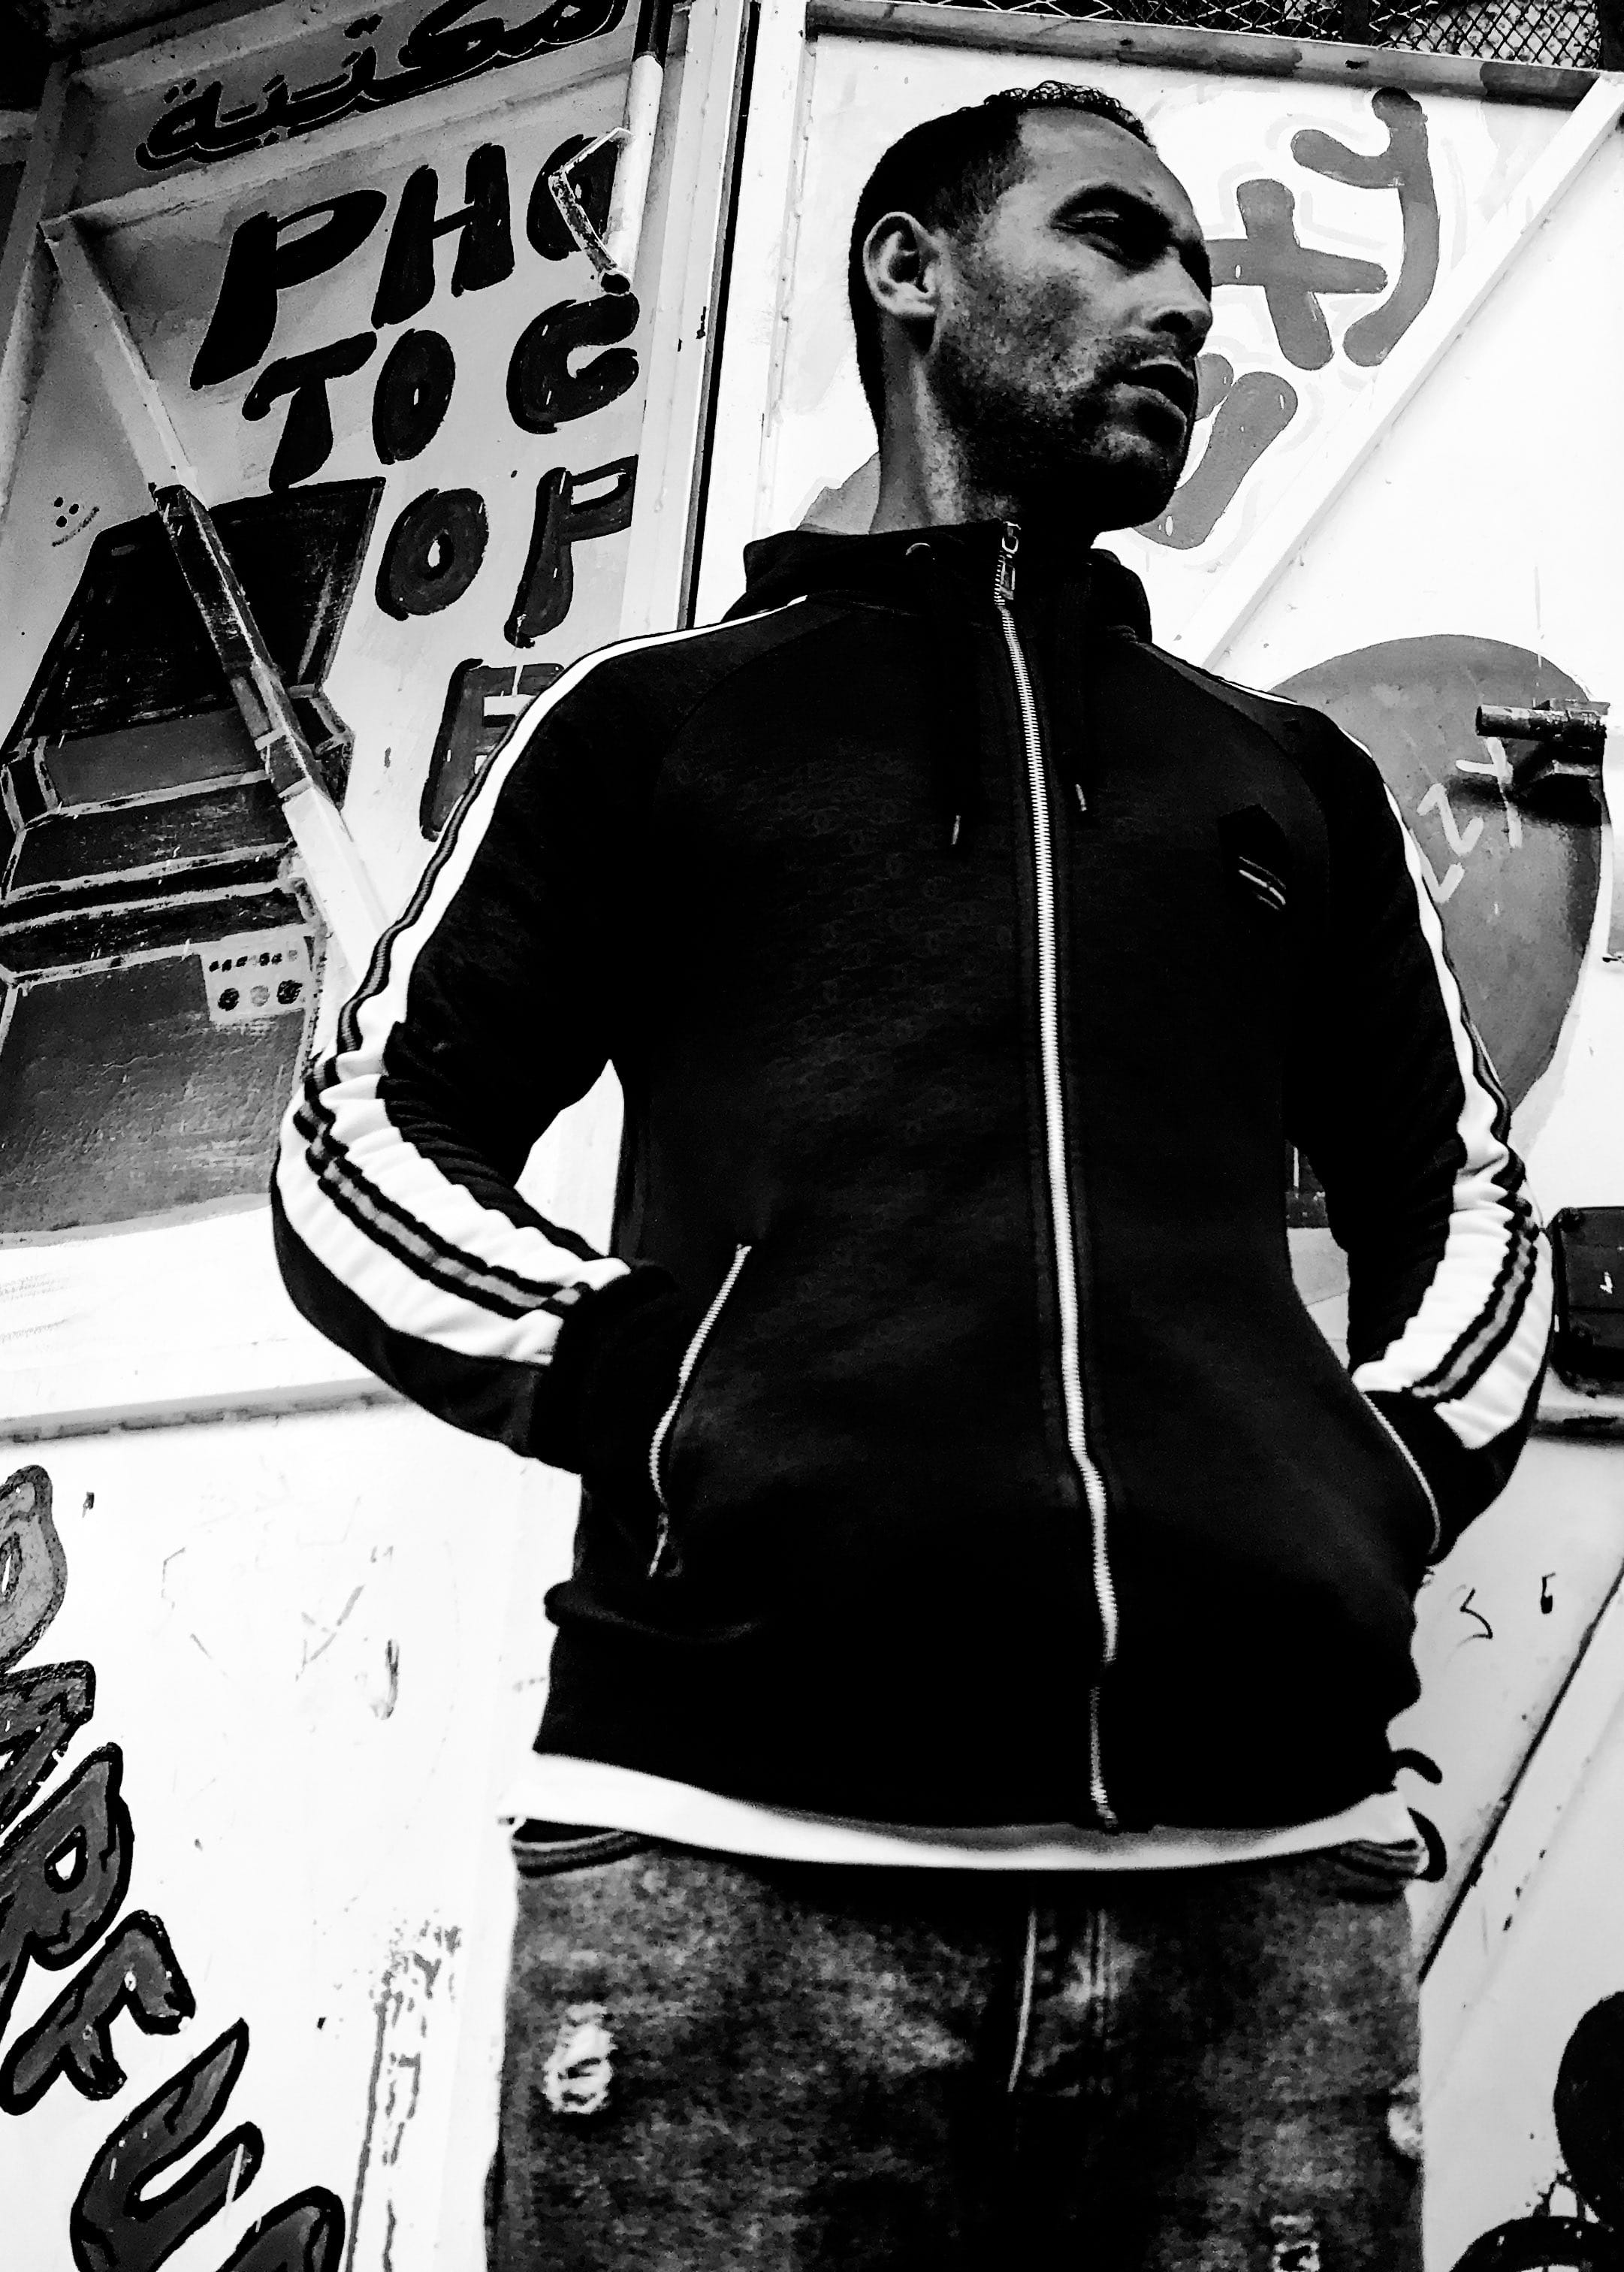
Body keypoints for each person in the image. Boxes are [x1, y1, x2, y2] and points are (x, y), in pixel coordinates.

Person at [273, 80, 1553, 2270]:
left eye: (1200, 276)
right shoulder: (659, 728)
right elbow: (367, 1140)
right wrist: (663, 1386)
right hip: (722, 1879)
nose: (1182, 306)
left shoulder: (1286, 784)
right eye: (1118, 240)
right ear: (911, 270)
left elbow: (1470, 1206)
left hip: (1258, 1909)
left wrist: (1377, 1469)